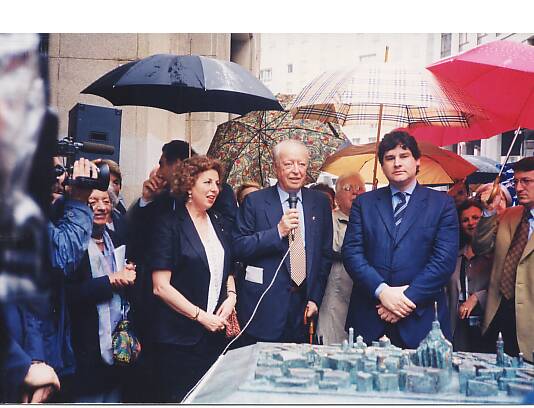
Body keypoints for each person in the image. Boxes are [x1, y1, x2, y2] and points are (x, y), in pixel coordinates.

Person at [342, 130, 458, 349]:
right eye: (390, 158)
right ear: (382, 165)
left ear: (417, 161)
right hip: (371, 315)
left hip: (421, 319)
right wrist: (382, 292)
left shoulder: (442, 204)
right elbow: (352, 253)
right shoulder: (364, 204)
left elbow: (443, 261)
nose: (397, 163)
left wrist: (405, 299)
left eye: (404, 156)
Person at [148, 156, 236, 402]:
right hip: (179, 339)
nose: (214, 189)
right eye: (207, 182)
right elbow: (160, 287)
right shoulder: (169, 224)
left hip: (214, 337)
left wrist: (231, 297)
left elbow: (229, 268)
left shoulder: (219, 222)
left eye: (217, 183)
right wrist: (201, 316)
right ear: (188, 185)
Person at [232, 139, 333, 344]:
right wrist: (277, 232)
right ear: (276, 167)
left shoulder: (320, 202)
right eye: (289, 164)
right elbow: (238, 247)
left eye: (301, 164)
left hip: (303, 309)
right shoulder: (255, 201)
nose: (296, 170)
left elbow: (324, 255)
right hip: (263, 307)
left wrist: (315, 298)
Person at [63, 188, 136, 402]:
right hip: (83, 351)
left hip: (117, 350)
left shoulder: (116, 238)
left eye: (106, 201)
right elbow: (66, 295)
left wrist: (130, 273)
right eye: (93, 201)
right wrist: (109, 281)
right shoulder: (71, 245)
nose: (101, 207)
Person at [473, 157, 534, 361]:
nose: (519, 187)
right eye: (516, 181)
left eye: (526, 181)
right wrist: (488, 212)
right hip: (498, 312)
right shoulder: (509, 215)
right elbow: (481, 247)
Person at [317, 172, 365, 345]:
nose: (355, 192)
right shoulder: (329, 219)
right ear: (336, 197)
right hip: (335, 289)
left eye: (359, 188)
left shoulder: (372, 219)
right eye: (348, 188)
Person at [447, 200, 492, 352]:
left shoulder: (495, 253)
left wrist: (477, 297)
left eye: (475, 218)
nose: (471, 223)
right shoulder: (454, 255)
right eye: (465, 220)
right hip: (458, 324)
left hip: (487, 324)